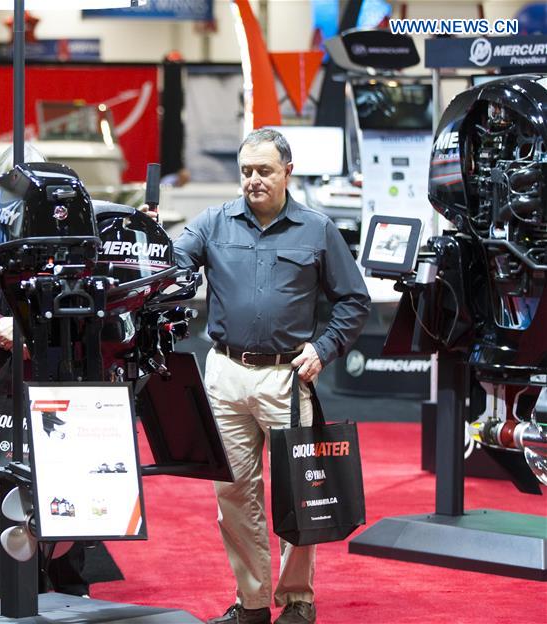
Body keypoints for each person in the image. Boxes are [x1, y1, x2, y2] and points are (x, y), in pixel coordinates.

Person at [170, 129, 370, 624]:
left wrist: (323, 349)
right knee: (234, 495)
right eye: (246, 171)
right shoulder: (213, 223)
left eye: (263, 170)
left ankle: (298, 599)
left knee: (299, 492)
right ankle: (255, 603)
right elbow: (170, 265)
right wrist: (153, 241)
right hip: (225, 376)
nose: (253, 180)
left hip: (287, 378)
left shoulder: (317, 229)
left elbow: (353, 300)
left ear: (287, 172)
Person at [0, 144, 90, 598]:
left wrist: (30, 329)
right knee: (7, 485)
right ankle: (24, 585)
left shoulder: (65, 240)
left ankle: (69, 585)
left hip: (55, 378)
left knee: (67, 478)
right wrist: (1, 325)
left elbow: (84, 301)